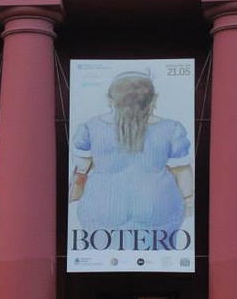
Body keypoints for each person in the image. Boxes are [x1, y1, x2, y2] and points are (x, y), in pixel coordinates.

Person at [70, 71, 193, 236]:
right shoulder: (172, 129)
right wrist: (188, 203)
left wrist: (73, 199)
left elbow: (80, 174)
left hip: (101, 212)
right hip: (159, 212)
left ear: (110, 99)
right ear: (153, 99)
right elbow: (182, 173)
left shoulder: (89, 128)